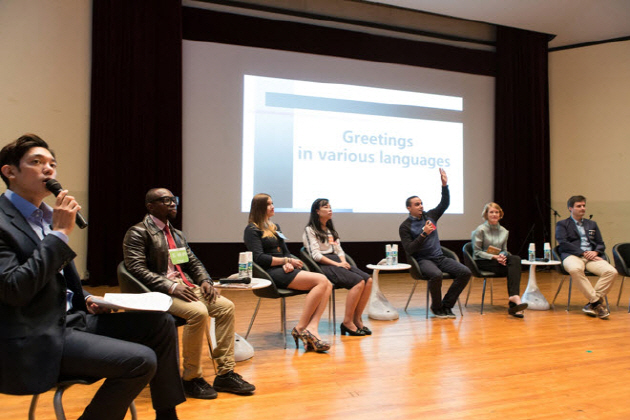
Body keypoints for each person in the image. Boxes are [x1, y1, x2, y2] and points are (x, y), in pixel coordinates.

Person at [0, 134, 185, 420]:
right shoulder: (4, 222)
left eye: (52, 163)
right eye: (36, 163)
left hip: (72, 322)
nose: (48, 169)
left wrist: (87, 298)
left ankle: (167, 415)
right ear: (9, 172)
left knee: (160, 323)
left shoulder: (46, 217)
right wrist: (60, 234)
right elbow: (14, 289)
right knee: (140, 360)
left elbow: (55, 278)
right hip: (37, 339)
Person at [123, 188, 255, 399]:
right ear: (151, 206)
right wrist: (172, 286)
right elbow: (136, 269)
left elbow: (191, 261)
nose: (173, 204)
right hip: (158, 291)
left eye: (173, 200)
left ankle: (225, 373)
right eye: (165, 201)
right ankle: (191, 378)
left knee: (226, 307)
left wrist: (204, 280)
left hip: (185, 286)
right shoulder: (138, 232)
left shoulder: (175, 234)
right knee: (198, 313)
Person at [244, 193, 332, 352]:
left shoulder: (275, 227)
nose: (272, 206)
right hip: (270, 273)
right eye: (268, 204)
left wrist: (288, 262)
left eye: (272, 203)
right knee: (321, 281)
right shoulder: (252, 229)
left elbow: (285, 251)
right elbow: (259, 258)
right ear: (259, 208)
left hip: (283, 269)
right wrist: (285, 261)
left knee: (327, 284)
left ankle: (312, 328)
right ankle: (301, 328)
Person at [399, 168, 471, 318]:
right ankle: (436, 308)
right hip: (423, 260)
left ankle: (447, 305)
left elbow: (444, 204)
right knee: (436, 275)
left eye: (421, 203)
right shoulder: (405, 226)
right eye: (417, 204)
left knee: (465, 272)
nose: (421, 206)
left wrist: (445, 185)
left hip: (439, 258)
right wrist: (424, 233)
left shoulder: (430, 215)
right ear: (409, 208)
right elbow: (410, 249)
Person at [303, 198, 373, 336]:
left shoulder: (330, 230)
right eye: (325, 207)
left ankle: (356, 319)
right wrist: (337, 264)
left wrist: (343, 261)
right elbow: (315, 255)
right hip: (323, 265)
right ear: (317, 211)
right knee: (358, 283)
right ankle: (347, 323)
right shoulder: (310, 230)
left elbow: (339, 250)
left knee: (368, 280)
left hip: (337, 261)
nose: (330, 209)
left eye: (330, 207)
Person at [555, 195, 617, 319]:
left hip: (591, 257)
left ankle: (592, 304)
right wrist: (583, 252)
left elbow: (600, 243)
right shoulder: (562, 224)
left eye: (584, 206)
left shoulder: (592, 224)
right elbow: (563, 242)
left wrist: (596, 252)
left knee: (611, 272)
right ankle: (596, 303)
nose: (582, 208)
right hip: (572, 255)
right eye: (579, 206)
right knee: (575, 269)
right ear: (570, 208)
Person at [471, 202, 528, 318]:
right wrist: (494, 257)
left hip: (498, 262)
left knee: (515, 259)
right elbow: (476, 252)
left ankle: (514, 298)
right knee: (513, 268)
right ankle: (513, 304)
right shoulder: (480, 230)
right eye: (491, 212)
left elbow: (504, 250)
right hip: (482, 262)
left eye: (496, 212)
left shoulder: (504, 231)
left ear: (500, 214)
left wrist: (502, 256)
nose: (494, 214)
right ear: (486, 214)